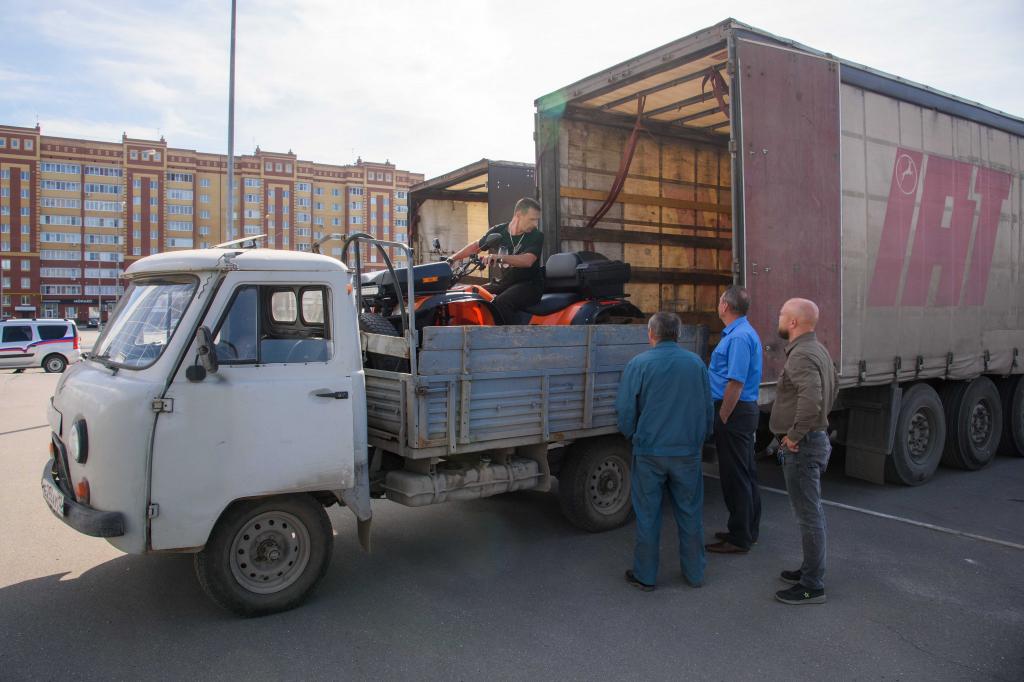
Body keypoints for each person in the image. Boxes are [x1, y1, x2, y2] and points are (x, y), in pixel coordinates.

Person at [615, 312, 714, 591]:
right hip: (687, 451)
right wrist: (701, 437)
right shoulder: (696, 364)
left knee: (648, 515)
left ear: (651, 333)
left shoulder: (639, 363)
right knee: (690, 513)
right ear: (678, 334)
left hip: (650, 451)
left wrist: (633, 435)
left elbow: (625, 409)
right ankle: (695, 574)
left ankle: (645, 576)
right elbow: (707, 407)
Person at [770, 298, 838, 605]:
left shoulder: (801, 356)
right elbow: (833, 389)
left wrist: (794, 435)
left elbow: (812, 401)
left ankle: (812, 586)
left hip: (804, 445)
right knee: (809, 513)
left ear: (794, 322)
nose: (779, 318)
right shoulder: (817, 349)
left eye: (782, 314)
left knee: (809, 516)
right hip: (812, 439)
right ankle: (809, 570)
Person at [705, 286, 764, 555]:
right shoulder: (740, 332)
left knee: (735, 476)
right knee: (745, 473)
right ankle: (748, 530)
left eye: (720, 301)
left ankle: (739, 538)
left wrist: (722, 416)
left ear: (726, 306)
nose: (718, 305)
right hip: (739, 411)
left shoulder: (739, 337)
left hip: (734, 411)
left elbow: (735, 383)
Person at [447, 197, 544, 324]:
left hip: (530, 285)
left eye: (536, 220)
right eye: (532, 219)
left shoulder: (536, 235)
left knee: (502, 302)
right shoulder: (500, 231)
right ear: (518, 215)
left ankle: (512, 335)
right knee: (474, 294)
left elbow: (528, 260)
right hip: (506, 283)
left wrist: (499, 258)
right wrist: (451, 259)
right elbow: (476, 246)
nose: (535, 224)